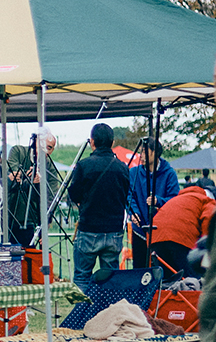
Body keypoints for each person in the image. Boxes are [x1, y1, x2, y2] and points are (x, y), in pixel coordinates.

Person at [67, 123, 129, 286]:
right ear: (112, 142)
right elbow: (125, 194)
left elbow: (73, 194)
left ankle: (83, 311)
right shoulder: (122, 167)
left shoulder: (84, 165)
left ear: (92, 142)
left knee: (82, 276)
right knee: (110, 278)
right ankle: (110, 310)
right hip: (114, 230)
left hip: (89, 229)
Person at [126, 137, 180, 271]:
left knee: (163, 269)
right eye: (141, 152)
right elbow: (129, 196)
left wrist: (159, 201)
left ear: (155, 153)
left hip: (162, 231)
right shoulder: (134, 173)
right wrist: (134, 213)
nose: (141, 155)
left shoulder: (169, 174)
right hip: (140, 230)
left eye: (145, 152)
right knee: (139, 269)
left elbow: (175, 200)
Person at [148, 180, 214, 277]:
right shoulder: (207, 200)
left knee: (166, 280)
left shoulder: (178, 199)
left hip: (155, 237)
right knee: (191, 279)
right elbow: (208, 222)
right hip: (180, 239)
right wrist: (207, 247)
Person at [6, 134, 60, 248]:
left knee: (29, 258)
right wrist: (29, 176)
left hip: (31, 220)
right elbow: (13, 177)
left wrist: (45, 224)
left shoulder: (50, 167)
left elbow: (52, 198)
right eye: (42, 145)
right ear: (35, 142)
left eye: (49, 147)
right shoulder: (18, 151)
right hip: (9, 217)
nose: (45, 149)